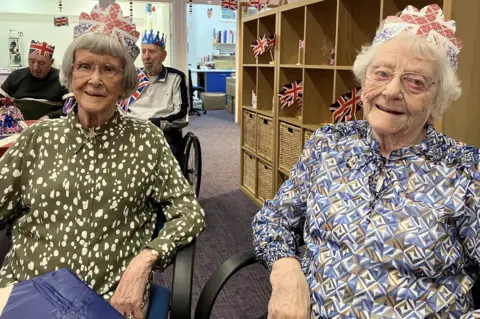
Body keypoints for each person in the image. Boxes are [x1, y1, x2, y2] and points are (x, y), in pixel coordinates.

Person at [252, 4, 480, 319]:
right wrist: (285, 271)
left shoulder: (467, 170)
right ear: (364, 80)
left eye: (414, 82)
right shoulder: (329, 144)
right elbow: (274, 220)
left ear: (437, 100)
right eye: (382, 73)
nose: (391, 90)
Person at [0, 4, 205, 318]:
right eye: (85, 66)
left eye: (108, 69)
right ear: (70, 75)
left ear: (124, 82)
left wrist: (146, 259)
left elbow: (189, 214)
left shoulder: (147, 141)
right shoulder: (36, 138)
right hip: (28, 293)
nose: (94, 79)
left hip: (110, 299)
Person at [118, 30, 189, 160]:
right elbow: (120, 107)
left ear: (163, 55)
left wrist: (155, 123)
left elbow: (182, 116)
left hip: (162, 132)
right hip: (132, 130)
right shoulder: (133, 76)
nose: (146, 56)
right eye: (144, 51)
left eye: (152, 51)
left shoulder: (176, 78)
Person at [0, 40, 69, 120]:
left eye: (42, 63)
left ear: (51, 62)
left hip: (49, 125)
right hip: (16, 124)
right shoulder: (16, 75)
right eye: (31, 61)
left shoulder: (62, 78)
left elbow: (71, 107)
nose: (35, 68)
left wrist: (50, 117)